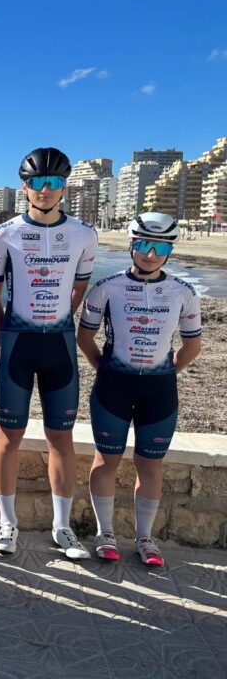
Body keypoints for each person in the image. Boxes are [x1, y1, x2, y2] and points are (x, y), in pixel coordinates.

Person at [0, 147, 98, 559]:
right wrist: (1, 344)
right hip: (17, 344)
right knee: (8, 436)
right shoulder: (3, 234)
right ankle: (7, 523)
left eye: (53, 182)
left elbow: (80, 287)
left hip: (58, 345)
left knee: (61, 437)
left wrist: (58, 319)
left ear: (64, 187)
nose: (45, 189)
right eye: (37, 182)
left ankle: (63, 528)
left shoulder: (84, 234)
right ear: (24, 187)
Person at [78, 212, 201, 566]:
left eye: (160, 247)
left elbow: (192, 346)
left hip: (159, 391)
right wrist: (105, 369)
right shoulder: (106, 287)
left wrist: (166, 372)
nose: (150, 253)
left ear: (170, 251)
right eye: (144, 244)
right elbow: (84, 337)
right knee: (106, 460)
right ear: (131, 244)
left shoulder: (184, 292)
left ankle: (145, 538)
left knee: (151, 464)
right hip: (113, 387)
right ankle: (105, 533)